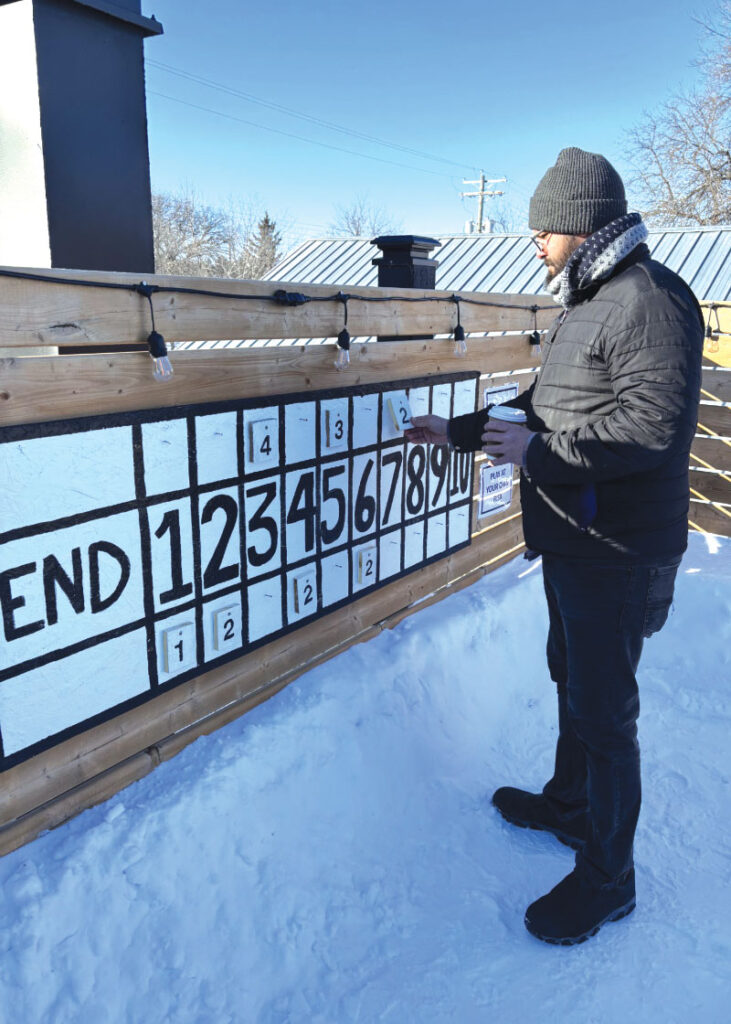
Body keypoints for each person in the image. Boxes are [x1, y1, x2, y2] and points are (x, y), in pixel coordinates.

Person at [406, 147, 704, 945]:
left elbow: (651, 429)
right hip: (576, 536)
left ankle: (610, 878)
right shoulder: (591, 298)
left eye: (546, 226)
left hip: (618, 544)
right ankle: (571, 805)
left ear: (583, 226)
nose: (534, 239)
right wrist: (459, 431)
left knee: (607, 714)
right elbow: (545, 404)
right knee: (570, 673)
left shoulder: (648, 299)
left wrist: (536, 458)